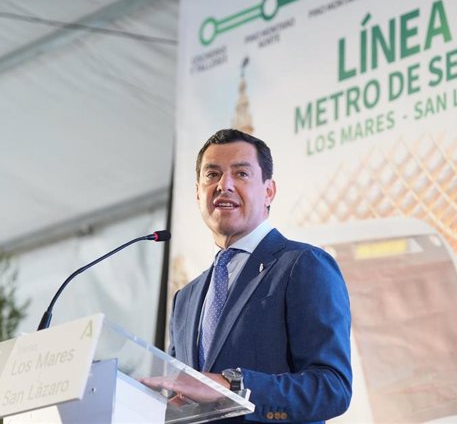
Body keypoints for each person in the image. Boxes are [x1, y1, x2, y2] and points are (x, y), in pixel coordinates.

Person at [145, 129, 352, 423]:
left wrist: (233, 386)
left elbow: (332, 389)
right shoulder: (185, 299)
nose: (223, 185)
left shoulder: (303, 265)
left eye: (241, 174)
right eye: (211, 175)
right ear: (197, 193)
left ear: (269, 192)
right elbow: (183, 397)